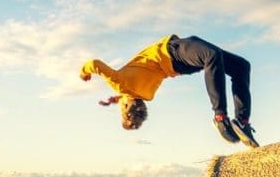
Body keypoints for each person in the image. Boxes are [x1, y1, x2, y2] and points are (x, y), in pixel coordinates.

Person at [79, 34, 258, 146]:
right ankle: (220, 117)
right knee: (212, 56)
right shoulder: (120, 84)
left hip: (180, 67)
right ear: (126, 106)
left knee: (240, 66)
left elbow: (133, 92)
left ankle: (242, 121)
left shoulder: (147, 95)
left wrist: (117, 99)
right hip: (173, 53)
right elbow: (94, 64)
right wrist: (84, 73)